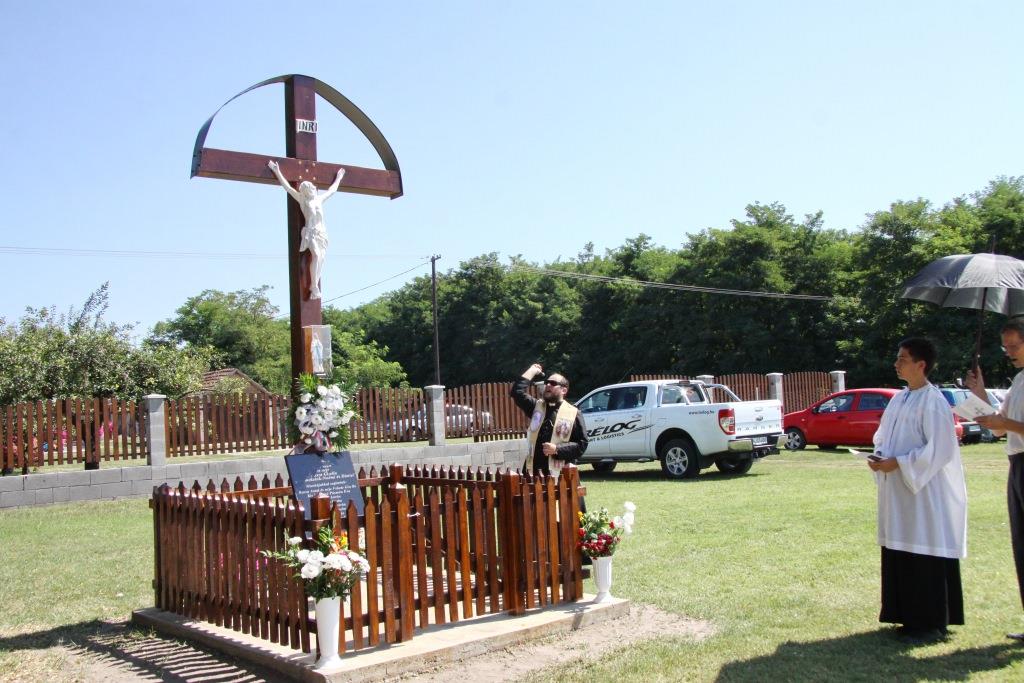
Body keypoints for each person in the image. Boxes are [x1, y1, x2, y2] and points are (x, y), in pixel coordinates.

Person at [868, 337, 967, 639]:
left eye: (903, 359)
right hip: (899, 492)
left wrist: (900, 463)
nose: (896, 364)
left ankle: (929, 622)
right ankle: (906, 615)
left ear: (921, 365)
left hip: (924, 493)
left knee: (923, 549)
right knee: (900, 547)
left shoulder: (934, 402)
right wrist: (879, 455)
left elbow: (939, 449)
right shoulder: (899, 399)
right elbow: (883, 435)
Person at [967, 317, 1024, 641]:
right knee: (1021, 544)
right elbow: (999, 427)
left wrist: (1006, 423)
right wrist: (979, 393)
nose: (1009, 352)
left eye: (1014, 346)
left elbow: (1008, 425)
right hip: (1016, 464)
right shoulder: (1019, 380)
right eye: (1006, 347)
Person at [267, 160, 346, 300]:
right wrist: (277, 171)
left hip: (322, 234)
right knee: (316, 256)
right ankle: (314, 286)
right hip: (311, 233)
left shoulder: (319, 199)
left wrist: (339, 178)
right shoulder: (303, 200)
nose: (312, 189)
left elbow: (332, 190)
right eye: (309, 188)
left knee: (321, 258)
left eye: (311, 188)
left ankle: (314, 285)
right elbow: (288, 188)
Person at [510, 363, 588, 476]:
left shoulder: (574, 413)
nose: (548, 385)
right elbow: (516, 392)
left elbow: (582, 444)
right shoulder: (536, 407)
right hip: (533, 471)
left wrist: (557, 449)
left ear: (564, 390)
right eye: (547, 382)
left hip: (560, 473)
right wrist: (532, 371)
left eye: (553, 383)